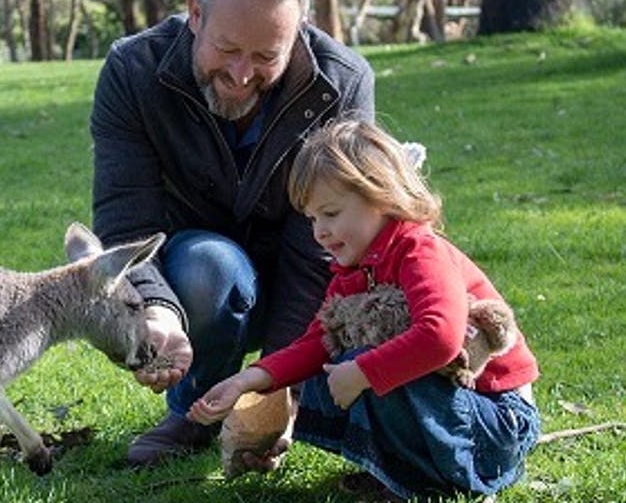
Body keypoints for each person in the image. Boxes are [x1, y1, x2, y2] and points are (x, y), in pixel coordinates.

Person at [89, 0, 375, 467]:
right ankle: (193, 410)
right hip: (196, 275)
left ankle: (278, 410)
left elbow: (322, 248)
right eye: (227, 48)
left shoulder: (341, 83)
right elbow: (125, 216)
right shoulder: (133, 71)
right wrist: (157, 308)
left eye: (267, 55)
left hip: (303, 279)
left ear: (299, 33)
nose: (242, 75)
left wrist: (276, 385)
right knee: (212, 268)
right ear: (196, 13)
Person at [187, 120, 541, 500]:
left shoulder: (418, 250)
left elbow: (441, 338)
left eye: (331, 213)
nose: (319, 232)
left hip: (496, 422)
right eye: (312, 218)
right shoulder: (353, 269)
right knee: (326, 370)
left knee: (363, 363)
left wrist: (362, 372)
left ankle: (428, 477)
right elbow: (316, 344)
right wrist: (246, 381)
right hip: (455, 411)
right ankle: (398, 470)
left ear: (381, 197)